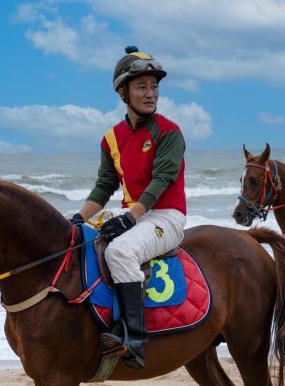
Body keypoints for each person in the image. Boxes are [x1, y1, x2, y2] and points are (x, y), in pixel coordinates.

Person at [68, 46, 187, 369]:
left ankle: (133, 340)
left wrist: (129, 219)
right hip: (132, 215)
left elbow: (161, 180)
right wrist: (79, 218)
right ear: (123, 93)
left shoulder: (169, 131)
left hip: (166, 216)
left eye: (154, 86)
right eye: (141, 87)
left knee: (119, 252)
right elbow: (105, 186)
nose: (151, 94)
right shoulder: (111, 138)